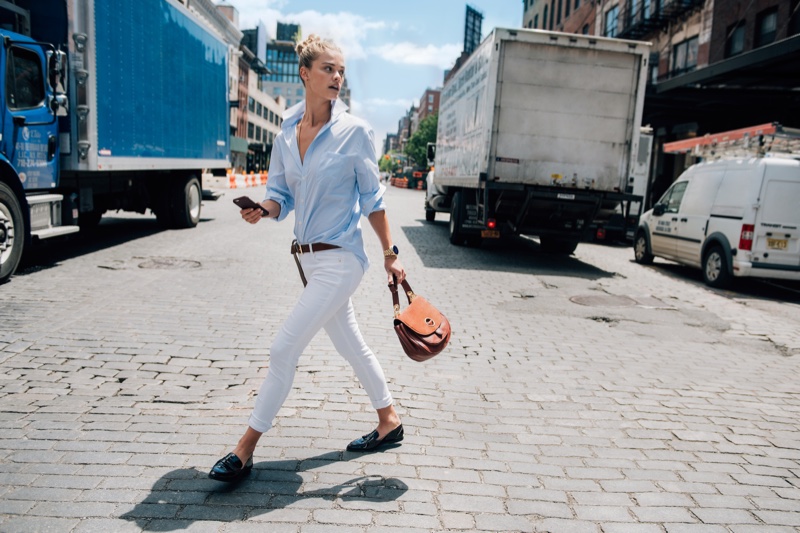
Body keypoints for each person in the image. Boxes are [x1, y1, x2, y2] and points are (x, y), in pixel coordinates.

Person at [209, 35, 406, 482]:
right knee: (351, 345)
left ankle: (244, 449)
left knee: (284, 348)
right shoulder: (286, 130)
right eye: (328, 69)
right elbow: (281, 194)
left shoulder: (355, 133)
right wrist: (264, 209)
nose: (337, 77)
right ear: (305, 73)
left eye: (341, 71)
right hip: (309, 261)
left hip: (342, 260)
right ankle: (388, 420)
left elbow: (373, 199)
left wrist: (389, 255)